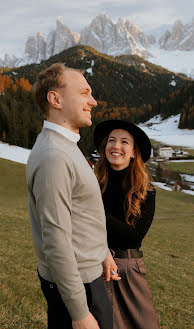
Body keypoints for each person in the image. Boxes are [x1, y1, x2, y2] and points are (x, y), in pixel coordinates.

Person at [26, 63, 120, 329]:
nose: (93, 101)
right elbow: (56, 240)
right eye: (84, 93)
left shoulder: (65, 146)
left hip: (85, 277)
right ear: (55, 99)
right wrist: (79, 313)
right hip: (77, 286)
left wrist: (101, 252)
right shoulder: (54, 156)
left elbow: (79, 214)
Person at [94, 119, 159, 329]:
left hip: (129, 270)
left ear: (133, 152)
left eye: (124, 142)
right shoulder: (92, 184)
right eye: (111, 140)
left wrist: (94, 212)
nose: (116, 146)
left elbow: (133, 238)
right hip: (93, 265)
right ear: (105, 147)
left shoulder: (146, 191)